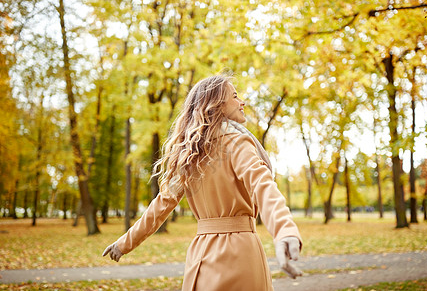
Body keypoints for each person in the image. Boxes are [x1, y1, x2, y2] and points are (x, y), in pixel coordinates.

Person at [103, 74, 303, 290]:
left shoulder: (190, 154)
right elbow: (263, 186)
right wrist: (285, 230)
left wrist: (124, 243)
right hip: (239, 254)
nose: (241, 102)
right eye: (235, 96)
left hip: (201, 255)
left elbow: (161, 205)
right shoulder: (236, 142)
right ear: (217, 105)